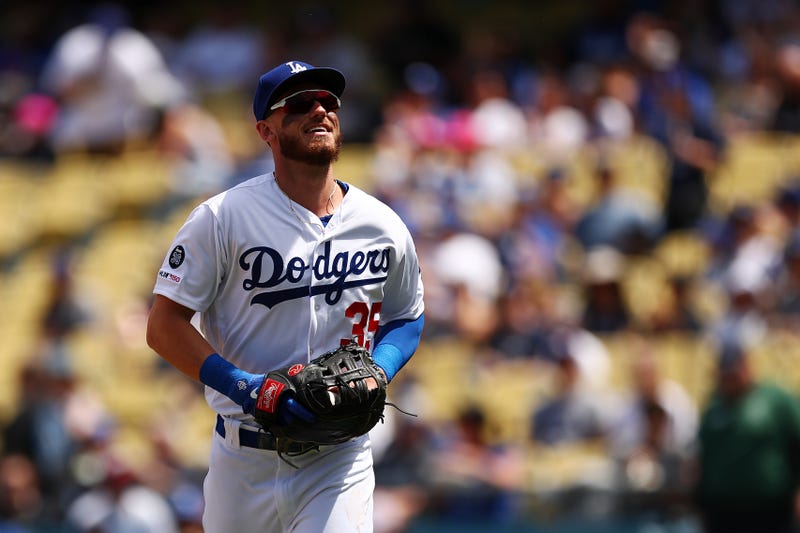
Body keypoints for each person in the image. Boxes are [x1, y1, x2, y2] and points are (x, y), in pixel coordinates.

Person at [145, 60, 425, 533]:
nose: (319, 109)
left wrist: (381, 368)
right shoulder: (223, 218)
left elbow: (407, 317)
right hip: (242, 458)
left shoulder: (382, 224)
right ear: (266, 130)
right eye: (299, 104)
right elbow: (163, 326)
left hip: (340, 457)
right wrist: (243, 387)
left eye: (328, 101)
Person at [693, 342, 800, 533]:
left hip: (772, 512)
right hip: (723, 513)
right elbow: (703, 458)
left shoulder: (775, 400)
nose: (730, 380)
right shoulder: (714, 405)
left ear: (746, 367)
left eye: (734, 373)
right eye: (726, 375)